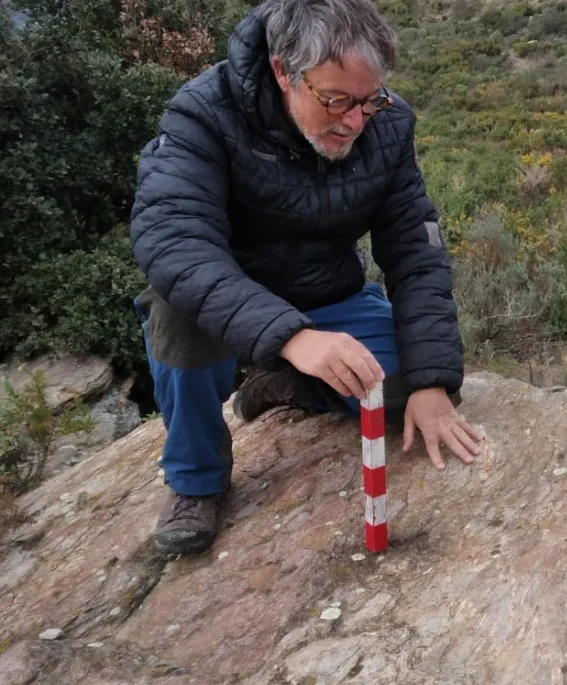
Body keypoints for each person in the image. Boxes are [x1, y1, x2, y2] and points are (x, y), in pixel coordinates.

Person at [129, 0, 482, 556]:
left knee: (413, 391)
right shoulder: (204, 114)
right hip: (225, 299)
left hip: (328, 293)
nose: (355, 121)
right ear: (282, 71)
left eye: (369, 100)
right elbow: (174, 244)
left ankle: (279, 385)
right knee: (176, 314)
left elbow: (415, 250)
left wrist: (433, 384)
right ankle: (195, 480)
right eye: (336, 100)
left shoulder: (388, 125)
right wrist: (291, 337)